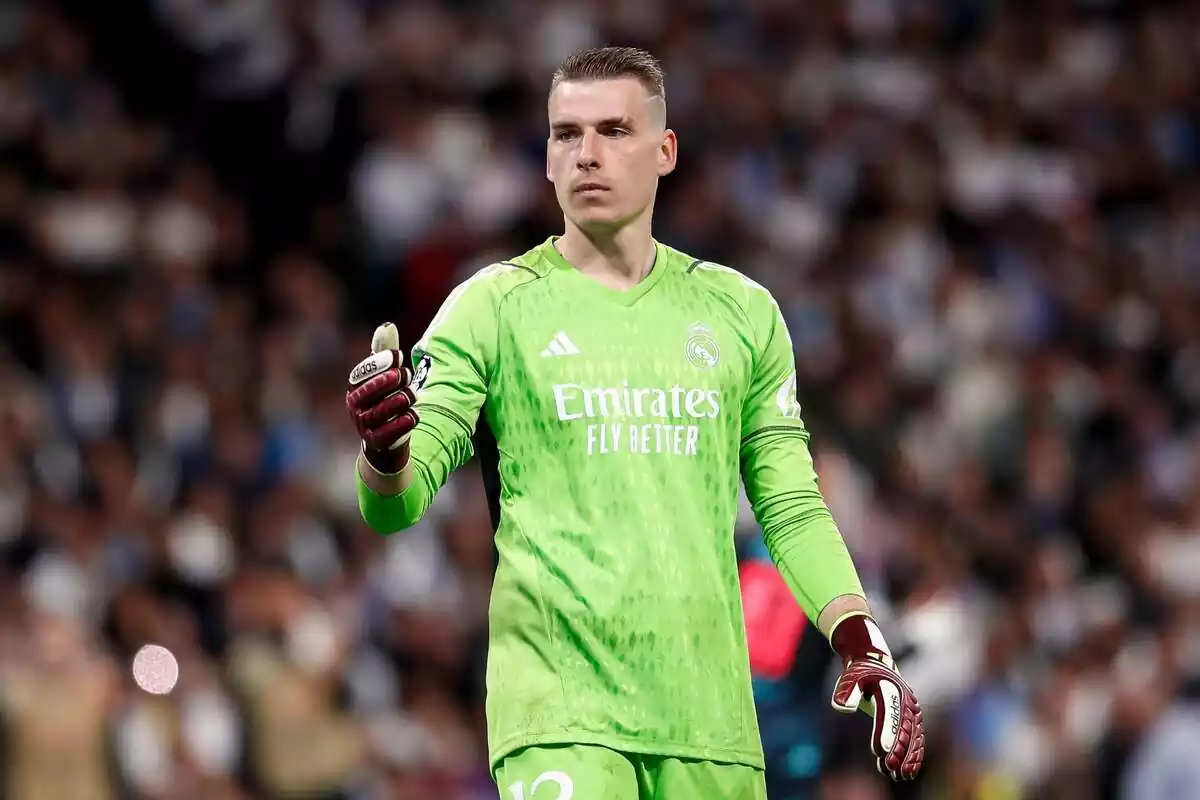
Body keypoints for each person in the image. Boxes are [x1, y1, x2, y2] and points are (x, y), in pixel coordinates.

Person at [345, 46, 925, 799]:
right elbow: (394, 505)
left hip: (711, 725)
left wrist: (862, 640)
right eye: (566, 134)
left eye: (614, 131)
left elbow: (790, 506)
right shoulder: (491, 306)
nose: (586, 155)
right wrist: (385, 451)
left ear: (664, 150)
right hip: (560, 711)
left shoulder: (741, 313)